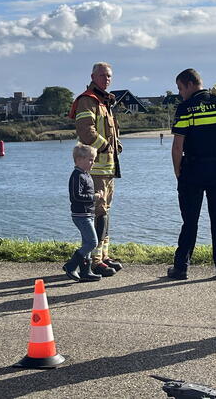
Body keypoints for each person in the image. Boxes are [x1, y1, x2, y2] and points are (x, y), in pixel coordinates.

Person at [167, 68, 216, 280]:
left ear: (188, 84)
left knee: (190, 220)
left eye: (180, 88)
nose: (180, 93)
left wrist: (178, 173)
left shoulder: (186, 107)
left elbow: (178, 147)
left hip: (193, 169)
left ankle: (181, 268)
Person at [68, 62, 124, 277]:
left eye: (109, 76)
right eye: (102, 75)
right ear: (92, 76)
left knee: (105, 214)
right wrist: (106, 146)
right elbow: (85, 131)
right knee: (99, 214)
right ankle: (94, 261)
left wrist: (116, 144)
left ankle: (103, 256)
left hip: (108, 169)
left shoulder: (104, 102)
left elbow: (109, 131)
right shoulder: (88, 100)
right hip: (96, 168)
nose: (106, 79)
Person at [62, 143, 103, 282]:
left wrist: (96, 195)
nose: (93, 162)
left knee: (86, 242)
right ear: (79, 160)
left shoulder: (85, 175)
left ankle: (86, 271)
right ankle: (71, 265)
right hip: (81, 215)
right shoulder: (77, 176)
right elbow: (75, 196)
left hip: (88, 214)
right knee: (92, 242)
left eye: (93, 159)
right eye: (90, 159)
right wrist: (94, 197)